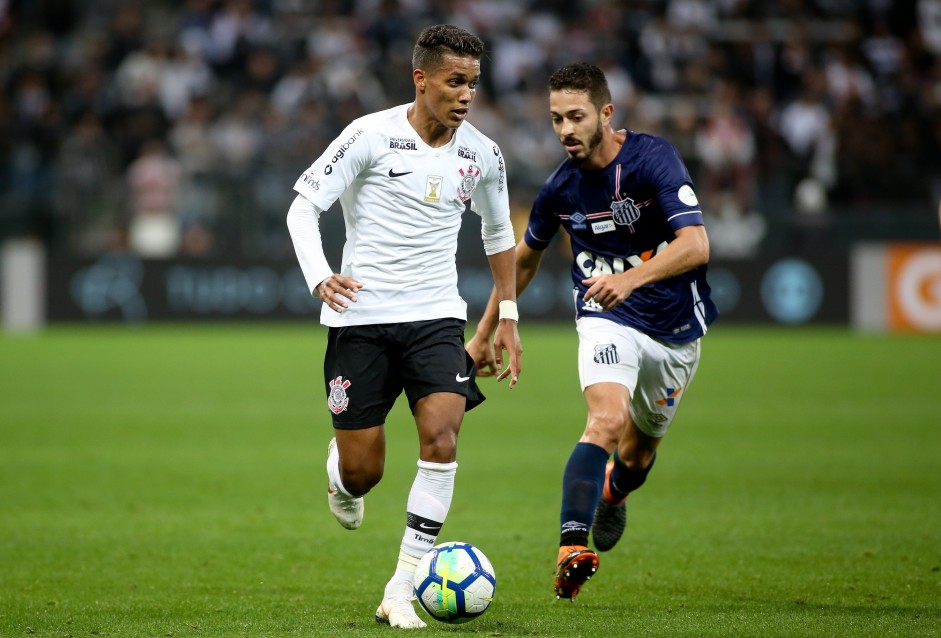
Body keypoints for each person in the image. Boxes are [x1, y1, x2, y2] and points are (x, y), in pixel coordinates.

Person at [286, 24, 521, 629]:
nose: (466, 94)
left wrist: (508, 316)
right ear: (421, 79)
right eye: (453, 81)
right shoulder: (369, 135)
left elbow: (499, 236)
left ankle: (401, 585)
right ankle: (340, 475)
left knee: (442, 438)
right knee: (366, 472)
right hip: (360, 319)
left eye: (472, 82)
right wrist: (319, 276)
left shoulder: (484, 154)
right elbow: (303, 206)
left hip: (437, 318)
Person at [468, 62, 718, 601]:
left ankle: (614, 490)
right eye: (556, 119)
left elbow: (696, 245)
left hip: (674, 329)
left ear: (606, 113)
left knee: (637, 457)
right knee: (606, 420)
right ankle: (571, 546)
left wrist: (631, 278)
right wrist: (487, 328)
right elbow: (523, 262)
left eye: (576, 117)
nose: (565, 130)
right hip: (606, 318)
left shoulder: (653, 159)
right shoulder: (560, 189)